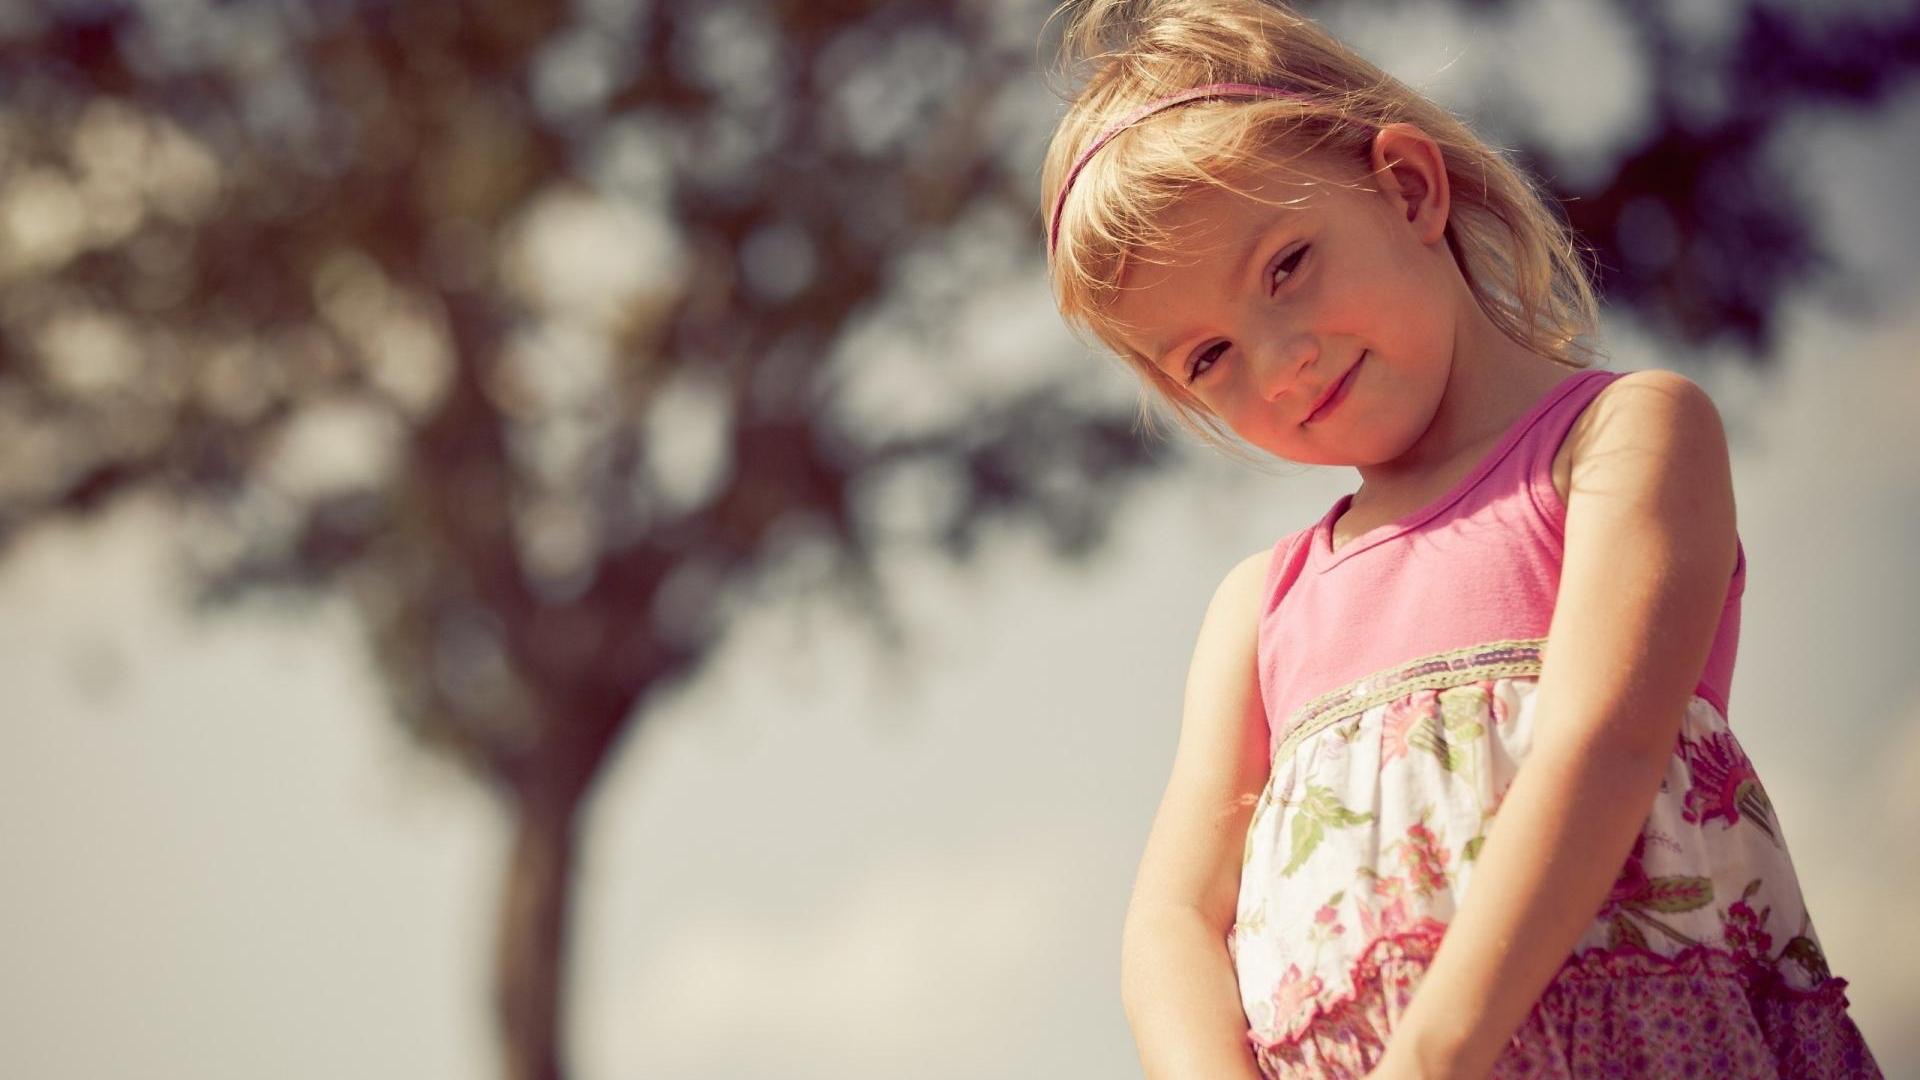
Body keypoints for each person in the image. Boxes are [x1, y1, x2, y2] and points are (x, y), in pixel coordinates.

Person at [1038, 1, 1884, 1077]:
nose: (1279, 360)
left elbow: (1603, 746)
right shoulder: (1262, 609)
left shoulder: (1621, 440)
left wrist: (1434, 1057)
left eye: (1286, 266)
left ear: (1407, 188)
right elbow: (1171, 920)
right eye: (1209, 357)